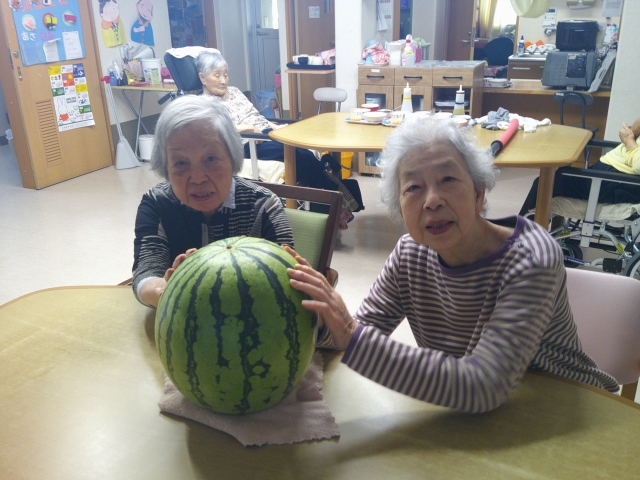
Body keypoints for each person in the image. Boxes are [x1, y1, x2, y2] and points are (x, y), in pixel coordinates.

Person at [287, 116, 619, 413]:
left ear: (478, 193)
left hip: (567, 409)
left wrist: (351, 334)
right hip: (477, 416)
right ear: (400, 209)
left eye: (448, 179)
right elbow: (361, 330)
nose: (432, 200)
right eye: (413, 187)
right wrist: (319, 317)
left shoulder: (531, 258)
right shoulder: (410, 255)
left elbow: (484, 385)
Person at [132, 96, 294, 308]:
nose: (198, 178)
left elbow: (286, 277)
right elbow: (145, 272)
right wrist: (161, 290)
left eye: (210, 159)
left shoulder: (264, 205)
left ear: (232, 157)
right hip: (179, 312)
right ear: (166, 167)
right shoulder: (156, 203)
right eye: (180, 163)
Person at [195, 50, 363, 228]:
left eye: (226, 74)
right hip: (247, 143)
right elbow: (212, 129)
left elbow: (256, 116)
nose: (223, 80)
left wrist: (276, 127)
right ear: (203, 78)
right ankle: (339, 204)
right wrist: (247, 128)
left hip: (265, 133)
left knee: (305, 152)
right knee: (299, 157)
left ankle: (335, 203)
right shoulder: (202, 104)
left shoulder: (235, 92)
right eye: (217, 75)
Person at [520, 118, 640, 216]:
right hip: (611, 175)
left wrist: (629, 141)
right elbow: (635, 127)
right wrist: (632, 133)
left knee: (544, 183)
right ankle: (528, 227)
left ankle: (519, 231)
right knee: (558, 176)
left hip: (615, 181)